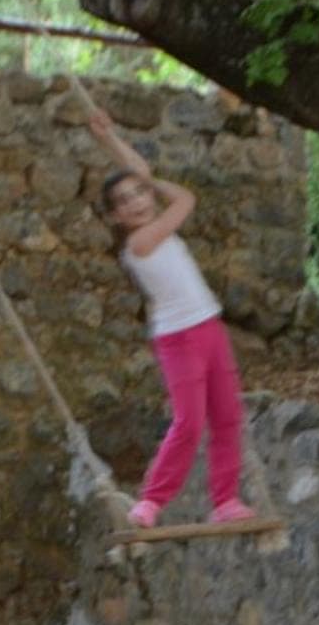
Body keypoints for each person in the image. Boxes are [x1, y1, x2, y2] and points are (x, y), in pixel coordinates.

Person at [89, 108, 256, 530]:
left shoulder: (153, 227)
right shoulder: (140, 243)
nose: (137, 202)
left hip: (210, 327)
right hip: (179, 339)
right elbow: (185, 199)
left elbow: (142, 173)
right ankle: (151, 501)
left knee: (228, 416)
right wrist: (148, 181)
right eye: (125, 201)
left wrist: (109, 139)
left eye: (139, 194)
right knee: (189, 422)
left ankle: (225, 501)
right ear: (116, 217)